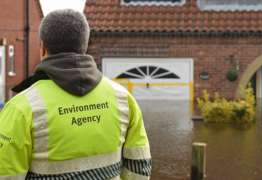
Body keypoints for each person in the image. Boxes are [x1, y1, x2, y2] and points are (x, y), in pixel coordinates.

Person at [0, 9, 151, 180]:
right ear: (85, 45)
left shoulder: (21, 108)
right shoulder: (123, 99)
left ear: (42, 48)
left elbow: (6, 174)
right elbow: (139, 168)